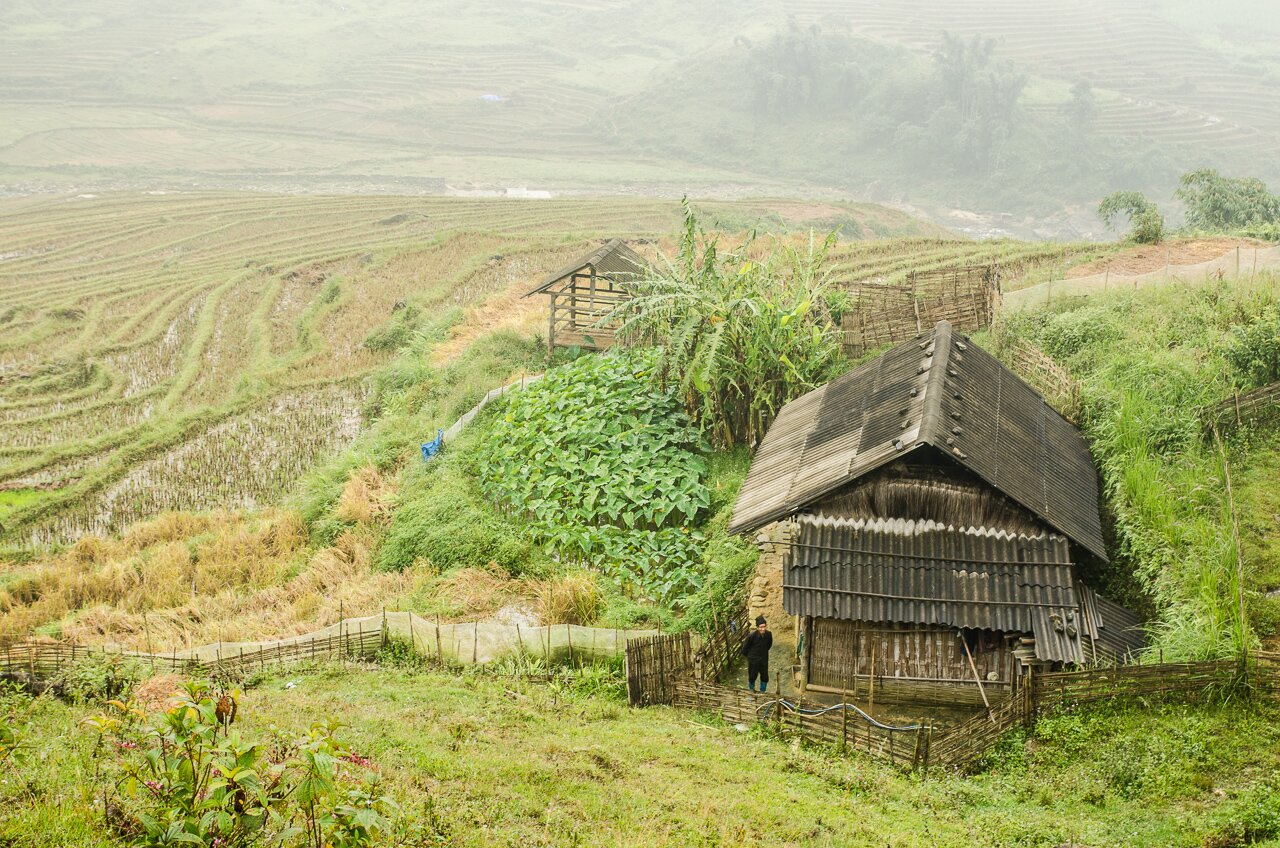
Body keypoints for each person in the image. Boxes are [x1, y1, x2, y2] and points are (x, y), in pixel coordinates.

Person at [740, 616, 773, 693]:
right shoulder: (751, 636)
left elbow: (769, 645)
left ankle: (762, 692)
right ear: (757, 627)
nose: (763, 629)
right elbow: (744, 649)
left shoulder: (768, 635)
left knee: (765, 676)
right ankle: (751, 692)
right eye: (761, 627)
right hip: (753, 660)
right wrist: (751, 657)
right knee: (752, 676)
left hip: (764, 659)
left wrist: (763, 653)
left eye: (764, 627)